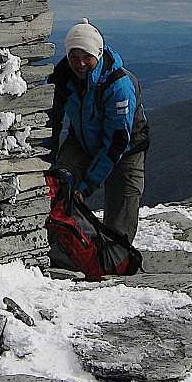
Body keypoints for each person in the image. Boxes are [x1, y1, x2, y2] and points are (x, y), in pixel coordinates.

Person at [46, 19, 149, 243]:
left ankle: (116, 259)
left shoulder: (119, 85)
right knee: (57, 186)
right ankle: (66, 249)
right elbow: (50, 121)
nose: (80, 64)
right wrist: (46, 162)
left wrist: (86, 187)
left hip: (126, 152)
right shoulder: (61, 77)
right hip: (82, 141)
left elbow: (117, 142)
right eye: (74, 57)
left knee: (119, 223)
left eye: (87, 57)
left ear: (99, 54)